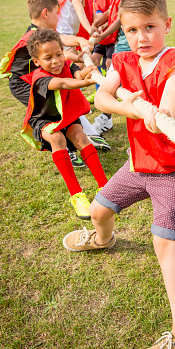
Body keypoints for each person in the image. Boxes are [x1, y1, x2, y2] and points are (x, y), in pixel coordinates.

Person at [63, 0, 175, 349]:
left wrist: (161, 112)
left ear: (167, 24)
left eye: (150, 27)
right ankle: (104, 239)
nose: (141, 37)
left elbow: (172, 92)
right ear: (123, 33)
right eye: (132, 30)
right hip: (139, 162)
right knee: (99, 210)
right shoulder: (123, 61)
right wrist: (134, 109)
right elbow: (103, 96)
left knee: (164, 244)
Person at [0, 0, 110, 166]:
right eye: (57, 13)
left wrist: (77, 49)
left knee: (64, 104)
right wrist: (78, 44)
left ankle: (84, 137)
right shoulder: (33, 36)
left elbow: (60, 44)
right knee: (53, 112)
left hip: (36, 80)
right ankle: (67, 150)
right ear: (45, 13)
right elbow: (62, 41)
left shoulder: (43, 34)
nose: (58, 17)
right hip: (24, 84)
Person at [22, 28, 108, 219]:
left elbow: (76, 75)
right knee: (57, 138)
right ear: (36, 61)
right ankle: (76, 195)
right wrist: (87, 83)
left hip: (66, 116)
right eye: (48, 58)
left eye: (59, 54)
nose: (56, 61)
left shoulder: (66, 64)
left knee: (80, 136)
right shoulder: (40, 78)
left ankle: (105, 187)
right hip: (44, 121)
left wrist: (87, 72)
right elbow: (63, 83)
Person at [90, 0, 137, 135]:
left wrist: (101, 36)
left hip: (126, 47)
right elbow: (110, 12)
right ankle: (107, 116)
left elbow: (118, 20)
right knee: (116, 81)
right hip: (120, 45)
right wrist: (96, 23)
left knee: (115, 82)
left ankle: (106, 118)